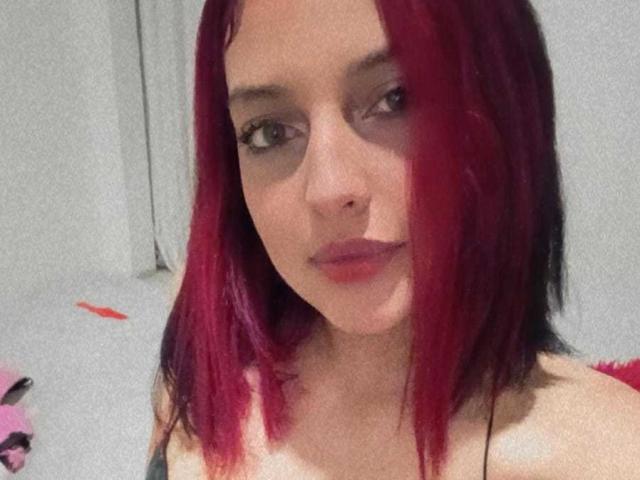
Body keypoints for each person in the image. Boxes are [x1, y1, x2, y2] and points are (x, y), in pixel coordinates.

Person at [146, 1, 640, 479]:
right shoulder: (203, 378)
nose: (330, 190)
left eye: (396, 100)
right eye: (269, 132)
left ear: (503, 105)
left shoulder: (606, 456)